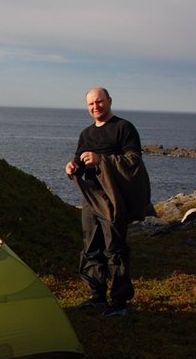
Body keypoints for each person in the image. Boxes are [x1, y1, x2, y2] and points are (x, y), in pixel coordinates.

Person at [65, 87, 154, 317]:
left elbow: (133, 161)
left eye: (99, 102)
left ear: (109, 101)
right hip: (90, 197)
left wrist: (100, 159)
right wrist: (72, 166)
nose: (96, 107)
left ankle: (120, 302)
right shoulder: (86, 134)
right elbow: (79, 160)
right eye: (91, 104)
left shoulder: (124, 128)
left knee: (115, 248)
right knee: (91, 247)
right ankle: (97, 296)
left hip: (113, 198)